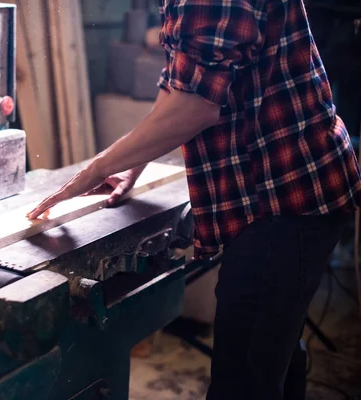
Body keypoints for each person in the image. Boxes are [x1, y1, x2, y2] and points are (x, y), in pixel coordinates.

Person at [27, 0, 361, 399]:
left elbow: (195, 107)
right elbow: (183, 83)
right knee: (274, 352)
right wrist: (138, 158)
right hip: (280, 189)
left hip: (283, 197)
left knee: (243, 382)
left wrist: (96, 169)